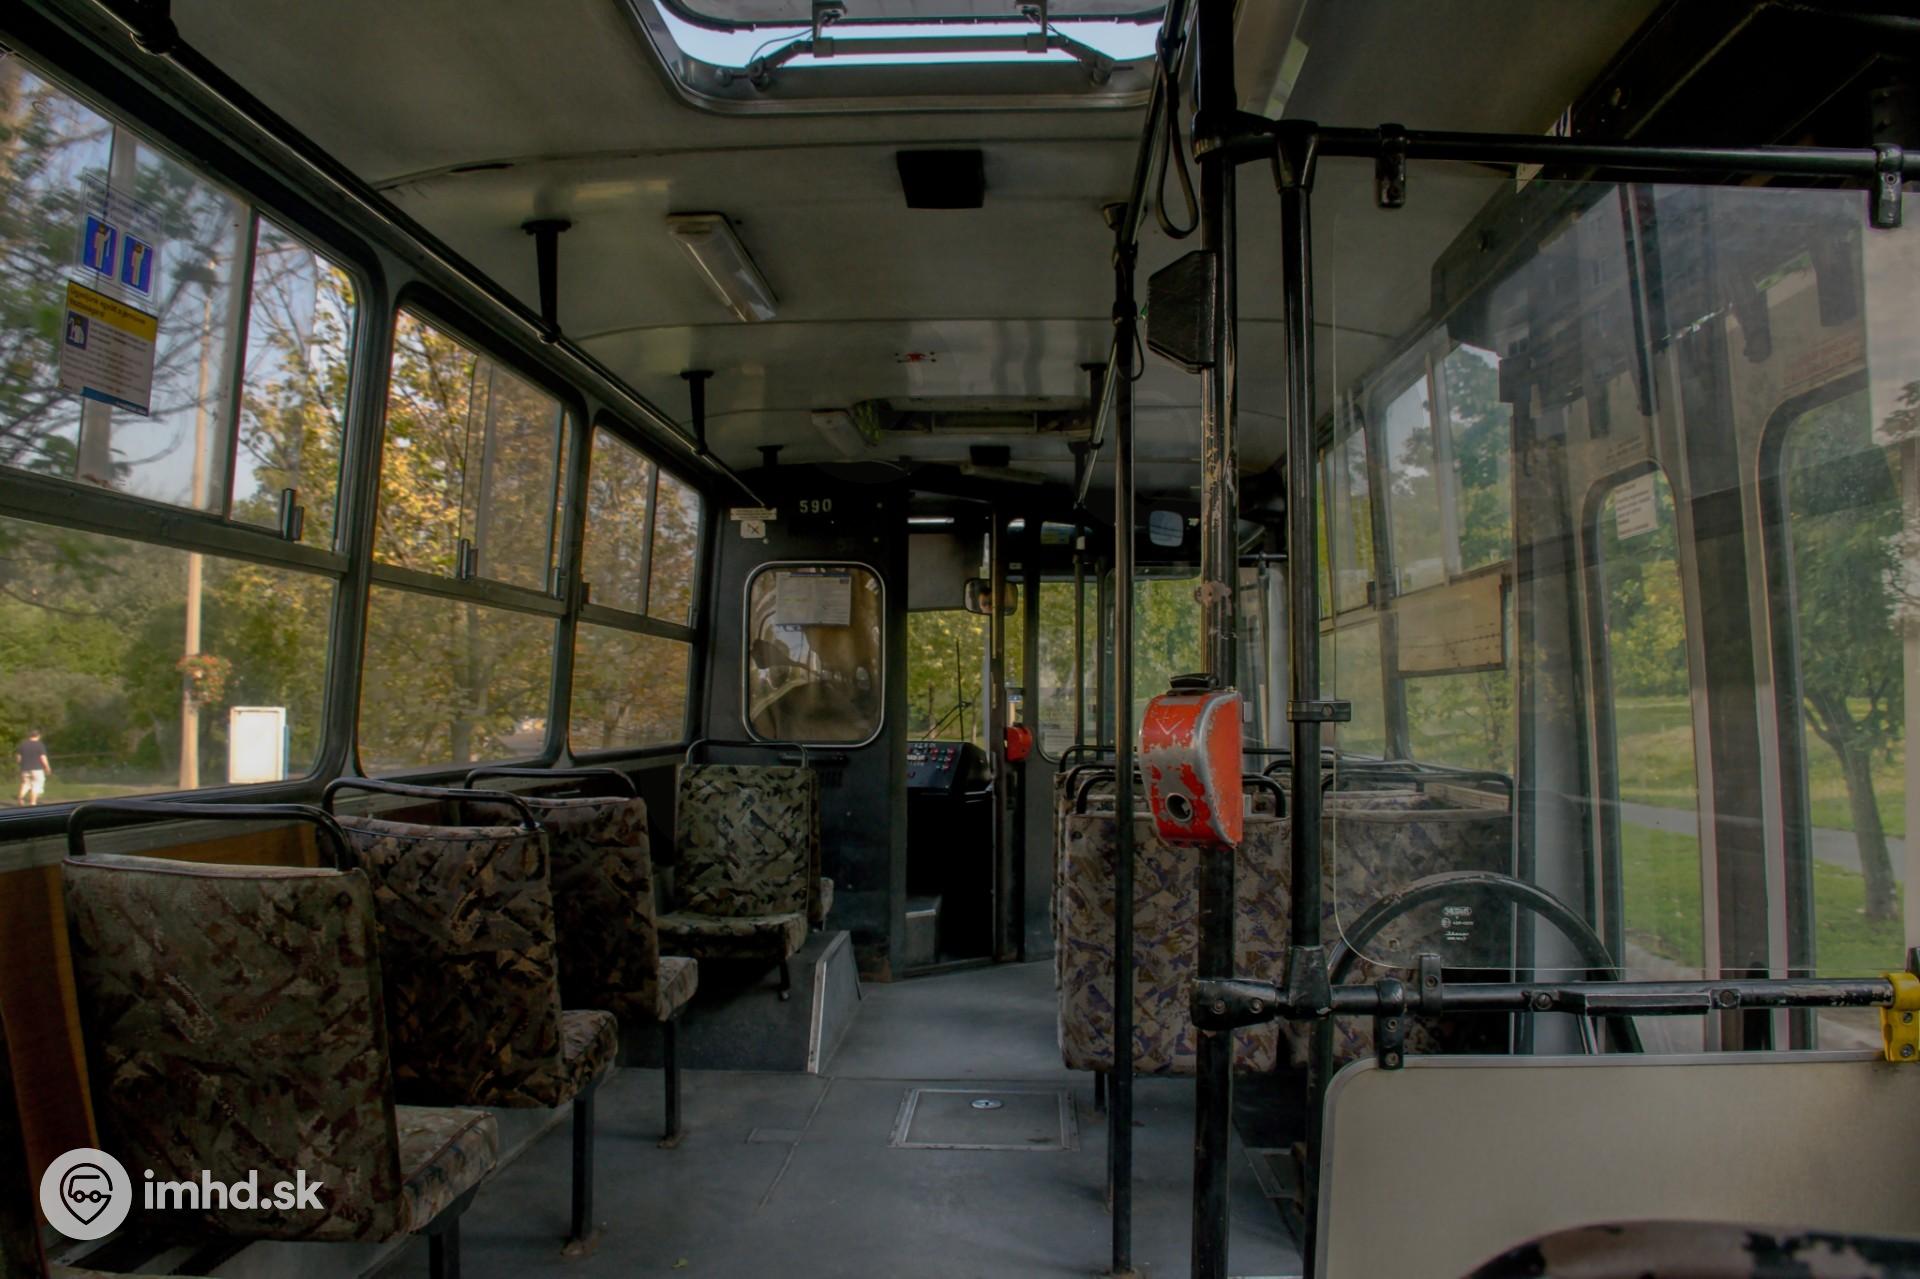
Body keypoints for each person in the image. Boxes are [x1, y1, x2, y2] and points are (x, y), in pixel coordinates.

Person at [16, 730, 50, 806]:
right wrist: (47, 767)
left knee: (25, 784)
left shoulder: (23, 744)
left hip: (25, 768)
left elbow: (18, 758)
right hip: (37, 769)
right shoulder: (39, 745)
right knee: (36, 785)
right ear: (38, 736)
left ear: (30, 736)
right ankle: (32, 803)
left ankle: (20, 798)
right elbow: (43, 758)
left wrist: (22, 765)